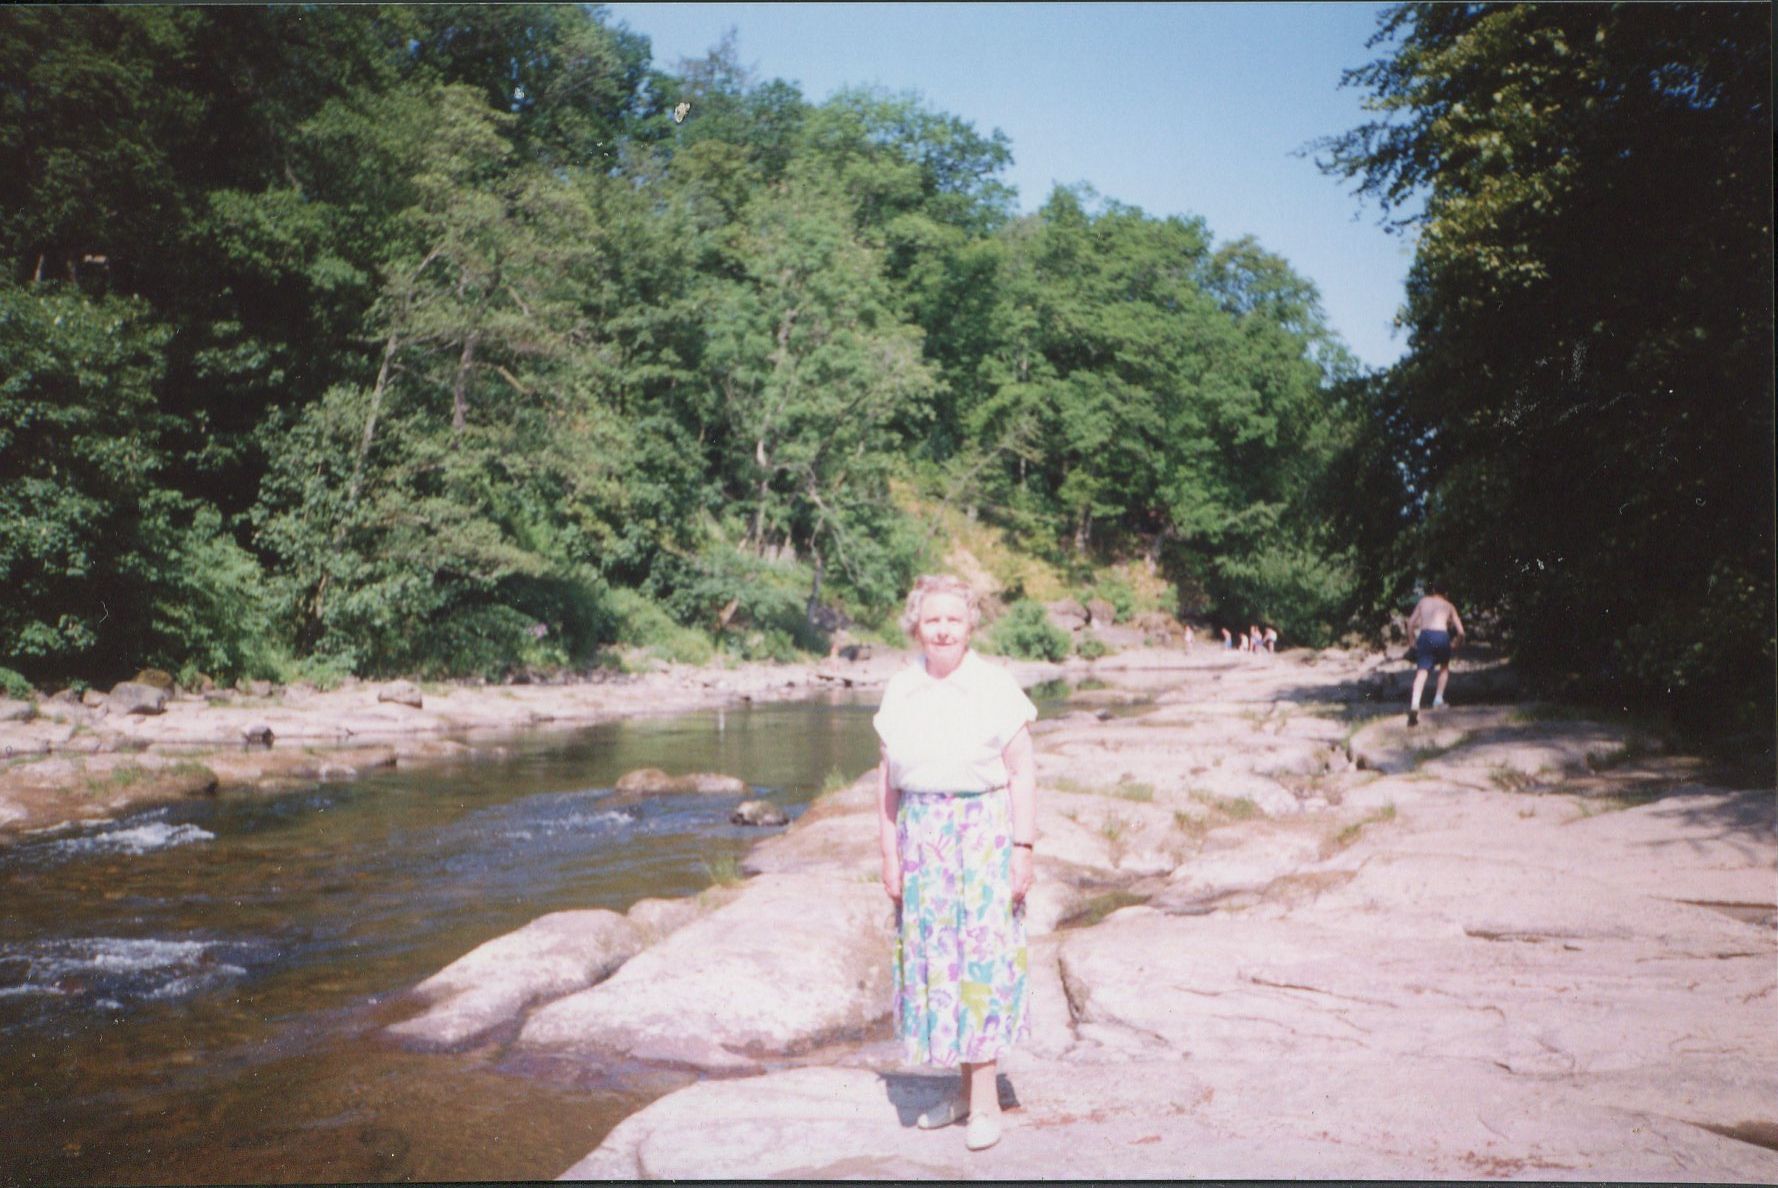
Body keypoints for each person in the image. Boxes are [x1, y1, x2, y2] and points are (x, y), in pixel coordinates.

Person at [875, 574, 1038, 1153]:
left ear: (970, 625)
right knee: (941, 966)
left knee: (982, 963)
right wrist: (890, 854)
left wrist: (1023, 848)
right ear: (916, 626)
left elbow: (1022, 770)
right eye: (931, 619)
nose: (942, 629)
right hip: (923, 837)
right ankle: (967, 1093)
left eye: (953, 619)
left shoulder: (993, 685)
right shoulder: (901, 688)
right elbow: (887, 779)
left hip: (982, 835)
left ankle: (988, 1103)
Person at [1405, 580, 1465, 726]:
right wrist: (1456, 644)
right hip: (1442, 636)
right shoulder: (1449, 606)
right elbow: (1461, 632)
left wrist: (1412, 642)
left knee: (1422, 672)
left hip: (1426, 636)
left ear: (1433, 590)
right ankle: (1438, 700)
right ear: (1446, 593)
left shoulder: (1423, 601)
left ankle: (1415, 704)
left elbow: (1411, 623)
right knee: (1444, 667)